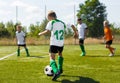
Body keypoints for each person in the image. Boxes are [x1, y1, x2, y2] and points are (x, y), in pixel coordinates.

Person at [38, 10, 77, 81]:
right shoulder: (62, 22)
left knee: (51, 57)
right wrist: (75, 33)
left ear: (50, 17)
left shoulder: (51, 22)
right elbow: (72, 25)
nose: (47, 19)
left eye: (48, 17)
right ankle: (60, 69)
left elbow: (47, 31)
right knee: (60, 54)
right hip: (61, 43)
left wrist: (40, 33)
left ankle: (56, 71)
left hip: (53, 43)